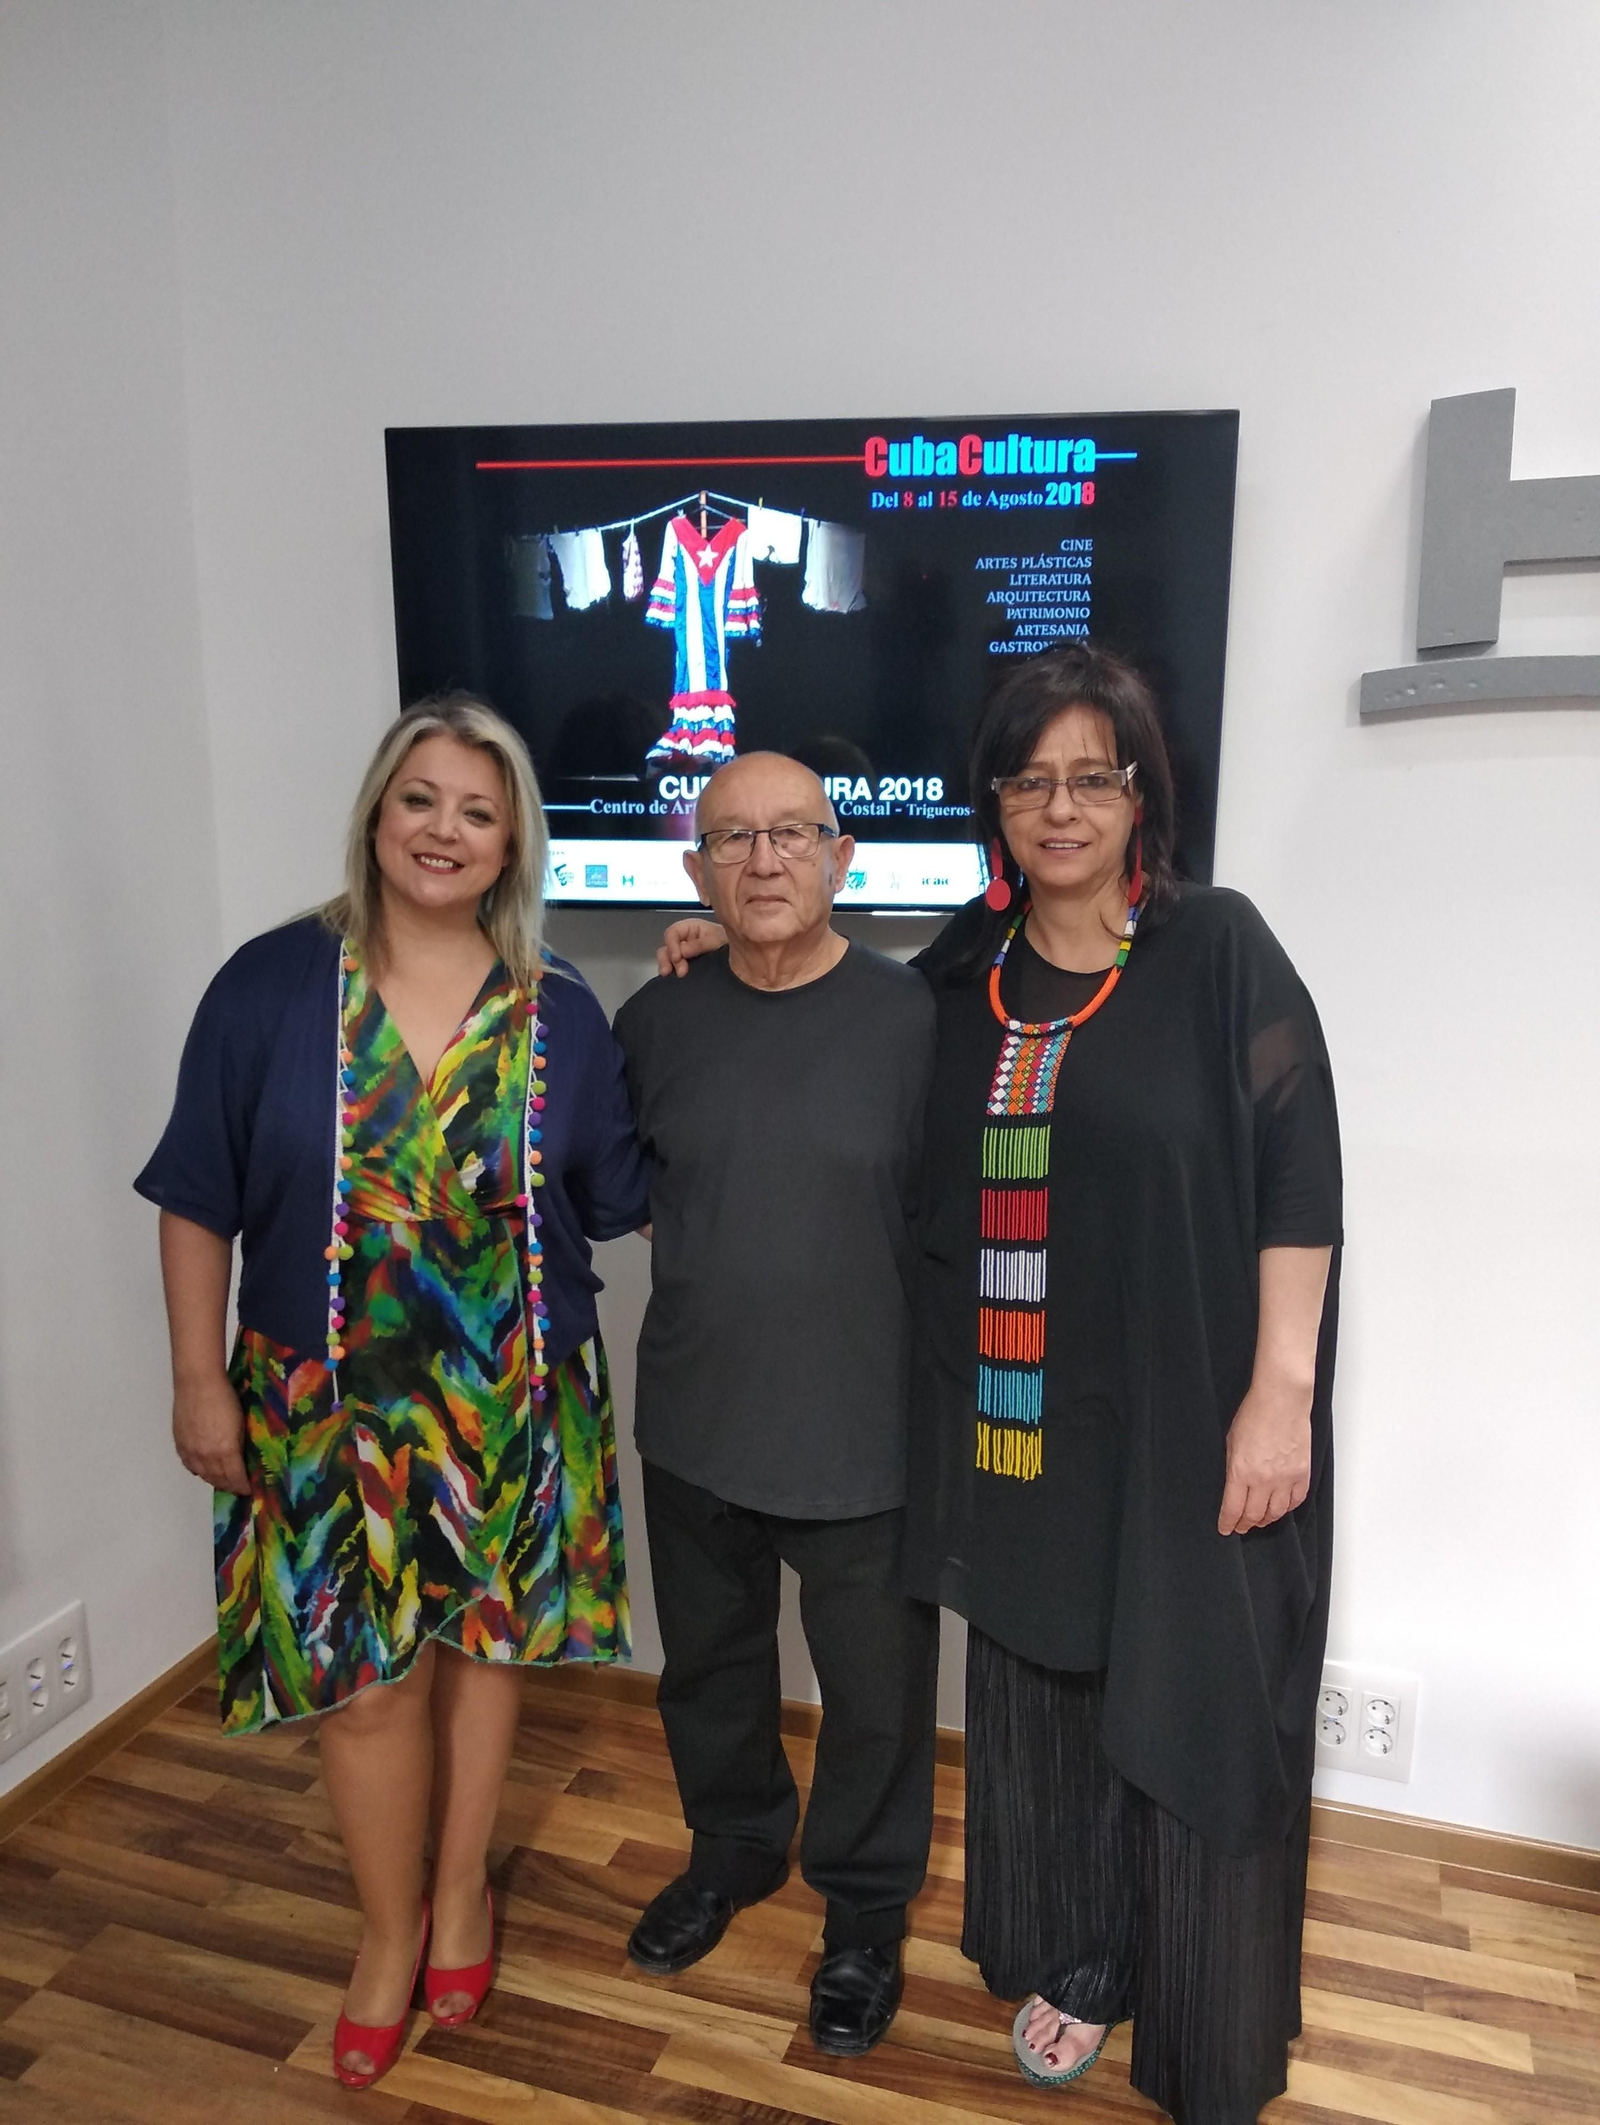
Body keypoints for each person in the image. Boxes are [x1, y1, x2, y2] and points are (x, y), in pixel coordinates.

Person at [657, 646, 1341, 2123]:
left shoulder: (1218, 950)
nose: (1061, 805)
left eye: (1093, 774)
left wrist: (1281, 1388)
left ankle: (1202, 1998)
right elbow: (819, 1032)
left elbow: (1301, 1168)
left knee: (1201, 1692)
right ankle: (1079, 1958)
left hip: (1199, 1416)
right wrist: (721, 950)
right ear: (994, 804)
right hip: (1024, 1428)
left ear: (1142, 790)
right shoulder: (954, 982)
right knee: (1043, 1705)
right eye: (1030, 779)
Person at [136, 695, 648, 2091]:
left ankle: (465, 1892)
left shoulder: (562, 1008)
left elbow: (613, 1193)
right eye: (421, 798)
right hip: (316, 1400)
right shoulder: (269, 984)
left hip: (512, 1392)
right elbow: (196, 1198)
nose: (445, 829)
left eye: (478, 810)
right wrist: (198, 1380)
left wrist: (704, 987)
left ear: (511, 843)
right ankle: (384, 1933)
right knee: (360, 1690)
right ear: (378, 810)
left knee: (485, 1656)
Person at [613, 752, 939, 2058]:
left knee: (875, 1695)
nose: (761, 861)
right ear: (696, 872)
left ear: (840, 857)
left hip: (864, 1429)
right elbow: (602, 1179)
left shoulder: (918, 1018)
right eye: (732, 840)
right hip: (696, 1418)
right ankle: (734, 1849)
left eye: (789, 834)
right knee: (710, 1671)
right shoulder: (657, 1016)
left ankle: (861, 1916)